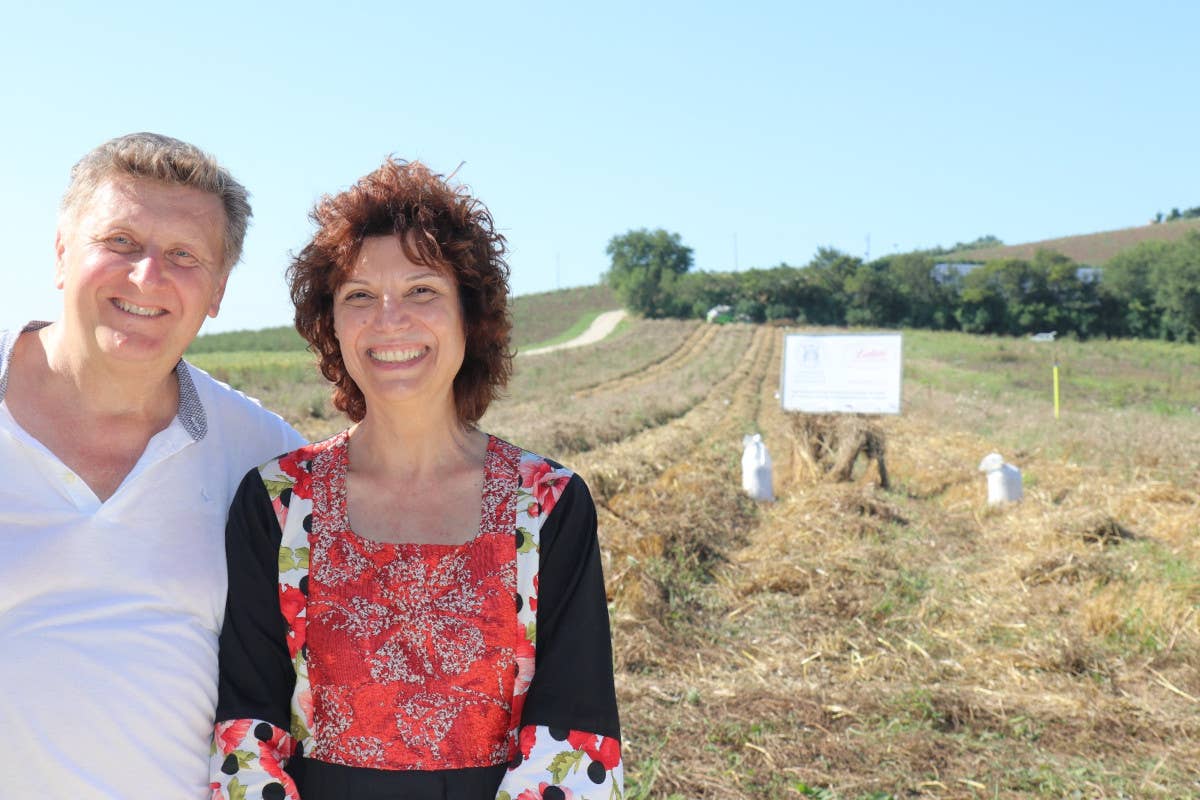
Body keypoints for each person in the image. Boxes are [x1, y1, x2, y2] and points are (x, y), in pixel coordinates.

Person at [211, 159, 623, 800]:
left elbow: (573, 738)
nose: (389, 319)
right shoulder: (277, 503)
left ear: (471, 316)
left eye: (422, 290)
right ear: (332, 327)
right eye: (358, 296)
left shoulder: (546, 505)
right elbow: (247, 732)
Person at [0, 133, 305, 798]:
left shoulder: (264, 457)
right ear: (60, 252)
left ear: (219, 290)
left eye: (183, 256)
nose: (146, 276)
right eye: (120, 242)